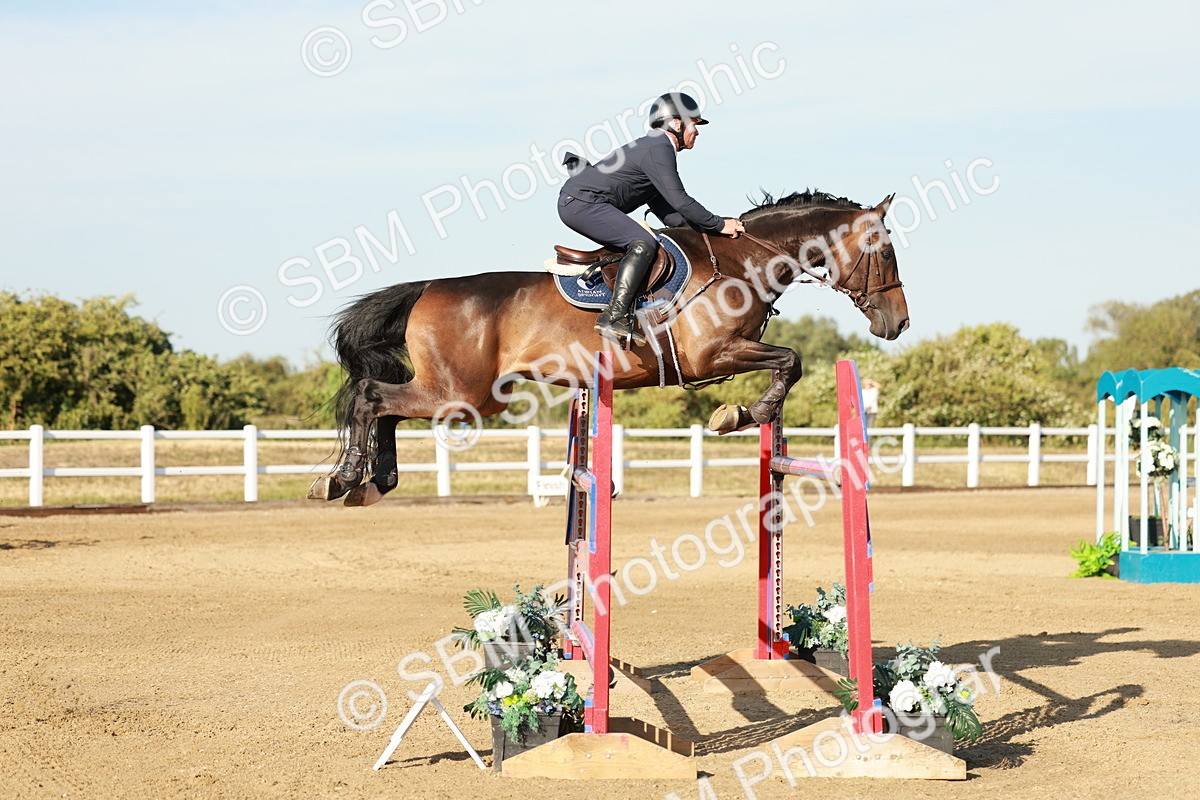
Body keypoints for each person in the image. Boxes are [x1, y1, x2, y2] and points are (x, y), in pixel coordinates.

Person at [558, 91, 745, 347]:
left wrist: (706, 230)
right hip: (581, 203)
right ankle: (615, 316)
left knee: (646, 238)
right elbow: (681, 200)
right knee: (643, 241)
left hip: (581, 202)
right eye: (694, 124)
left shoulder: (654, 147)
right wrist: (720, 224)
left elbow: (670, 213)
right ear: (676, 123)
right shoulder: (659, 148)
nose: (697, 131)